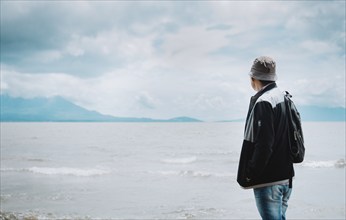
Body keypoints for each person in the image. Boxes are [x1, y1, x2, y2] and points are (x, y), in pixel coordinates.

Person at [237, 56, 294, 220]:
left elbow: (264, 145)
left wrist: (251, 173)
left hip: (269, 180)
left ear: (253, 78)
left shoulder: (264, 101)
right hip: (286, 176)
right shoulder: (284, 97)